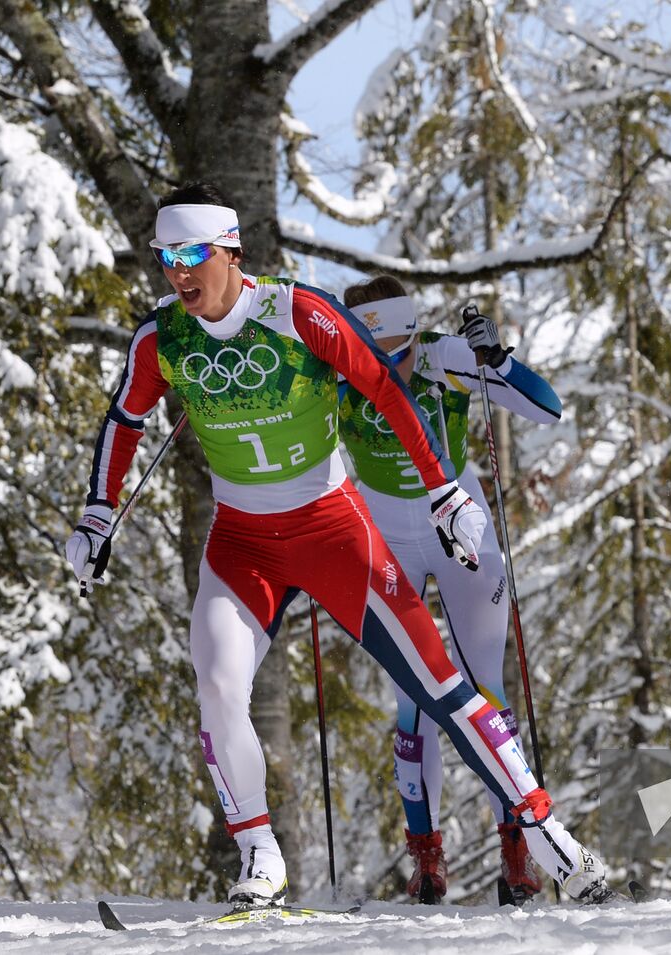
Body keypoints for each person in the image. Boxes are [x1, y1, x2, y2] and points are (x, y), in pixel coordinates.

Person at [64, 181, 614, 907]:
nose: (179, 272)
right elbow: (123, 418)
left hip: (332, 528)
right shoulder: (162, 337)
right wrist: (99, 511)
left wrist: (446, 491)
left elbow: (386, 389)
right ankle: (258, 853)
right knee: (219, 683)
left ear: (232, 248)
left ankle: (550, 837)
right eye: (167, 256)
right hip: (242, 542)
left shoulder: (299, 313)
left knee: (443, 685)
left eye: (194, 253)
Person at [336, 276, 560, 905]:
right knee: (412, 695)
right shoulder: (336, 362)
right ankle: (427, 857)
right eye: (378, 355)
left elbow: (548, 407)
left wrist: (499, 361)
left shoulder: (442, 356)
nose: (394, 368)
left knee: (484, 688)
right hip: (387, 533)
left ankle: (517, 852)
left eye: (402, 350)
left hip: (461, 525)